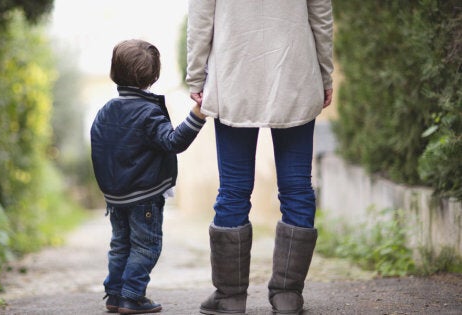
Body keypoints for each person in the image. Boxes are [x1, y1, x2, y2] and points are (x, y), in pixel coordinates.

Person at [186, 0, 334, 314]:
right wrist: (324, 74)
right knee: (297, 188)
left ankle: (229, 297)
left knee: (233, 190)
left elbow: (201, 17)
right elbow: (320, 14)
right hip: (294, 70)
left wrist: (197, 78)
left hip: (235, 72)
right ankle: (287, 295)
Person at [91, 39, 207, 314]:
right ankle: (133, 296)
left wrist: (109, 186)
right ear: (153, 76)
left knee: (120, 246)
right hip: (144, 196)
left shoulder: (105, 111)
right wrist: (197, 116)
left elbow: (98, 146)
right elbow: (173, 141)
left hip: (116, 196)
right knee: (146, 247)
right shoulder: (148, 112)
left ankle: (115, 295)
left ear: (114, 73)